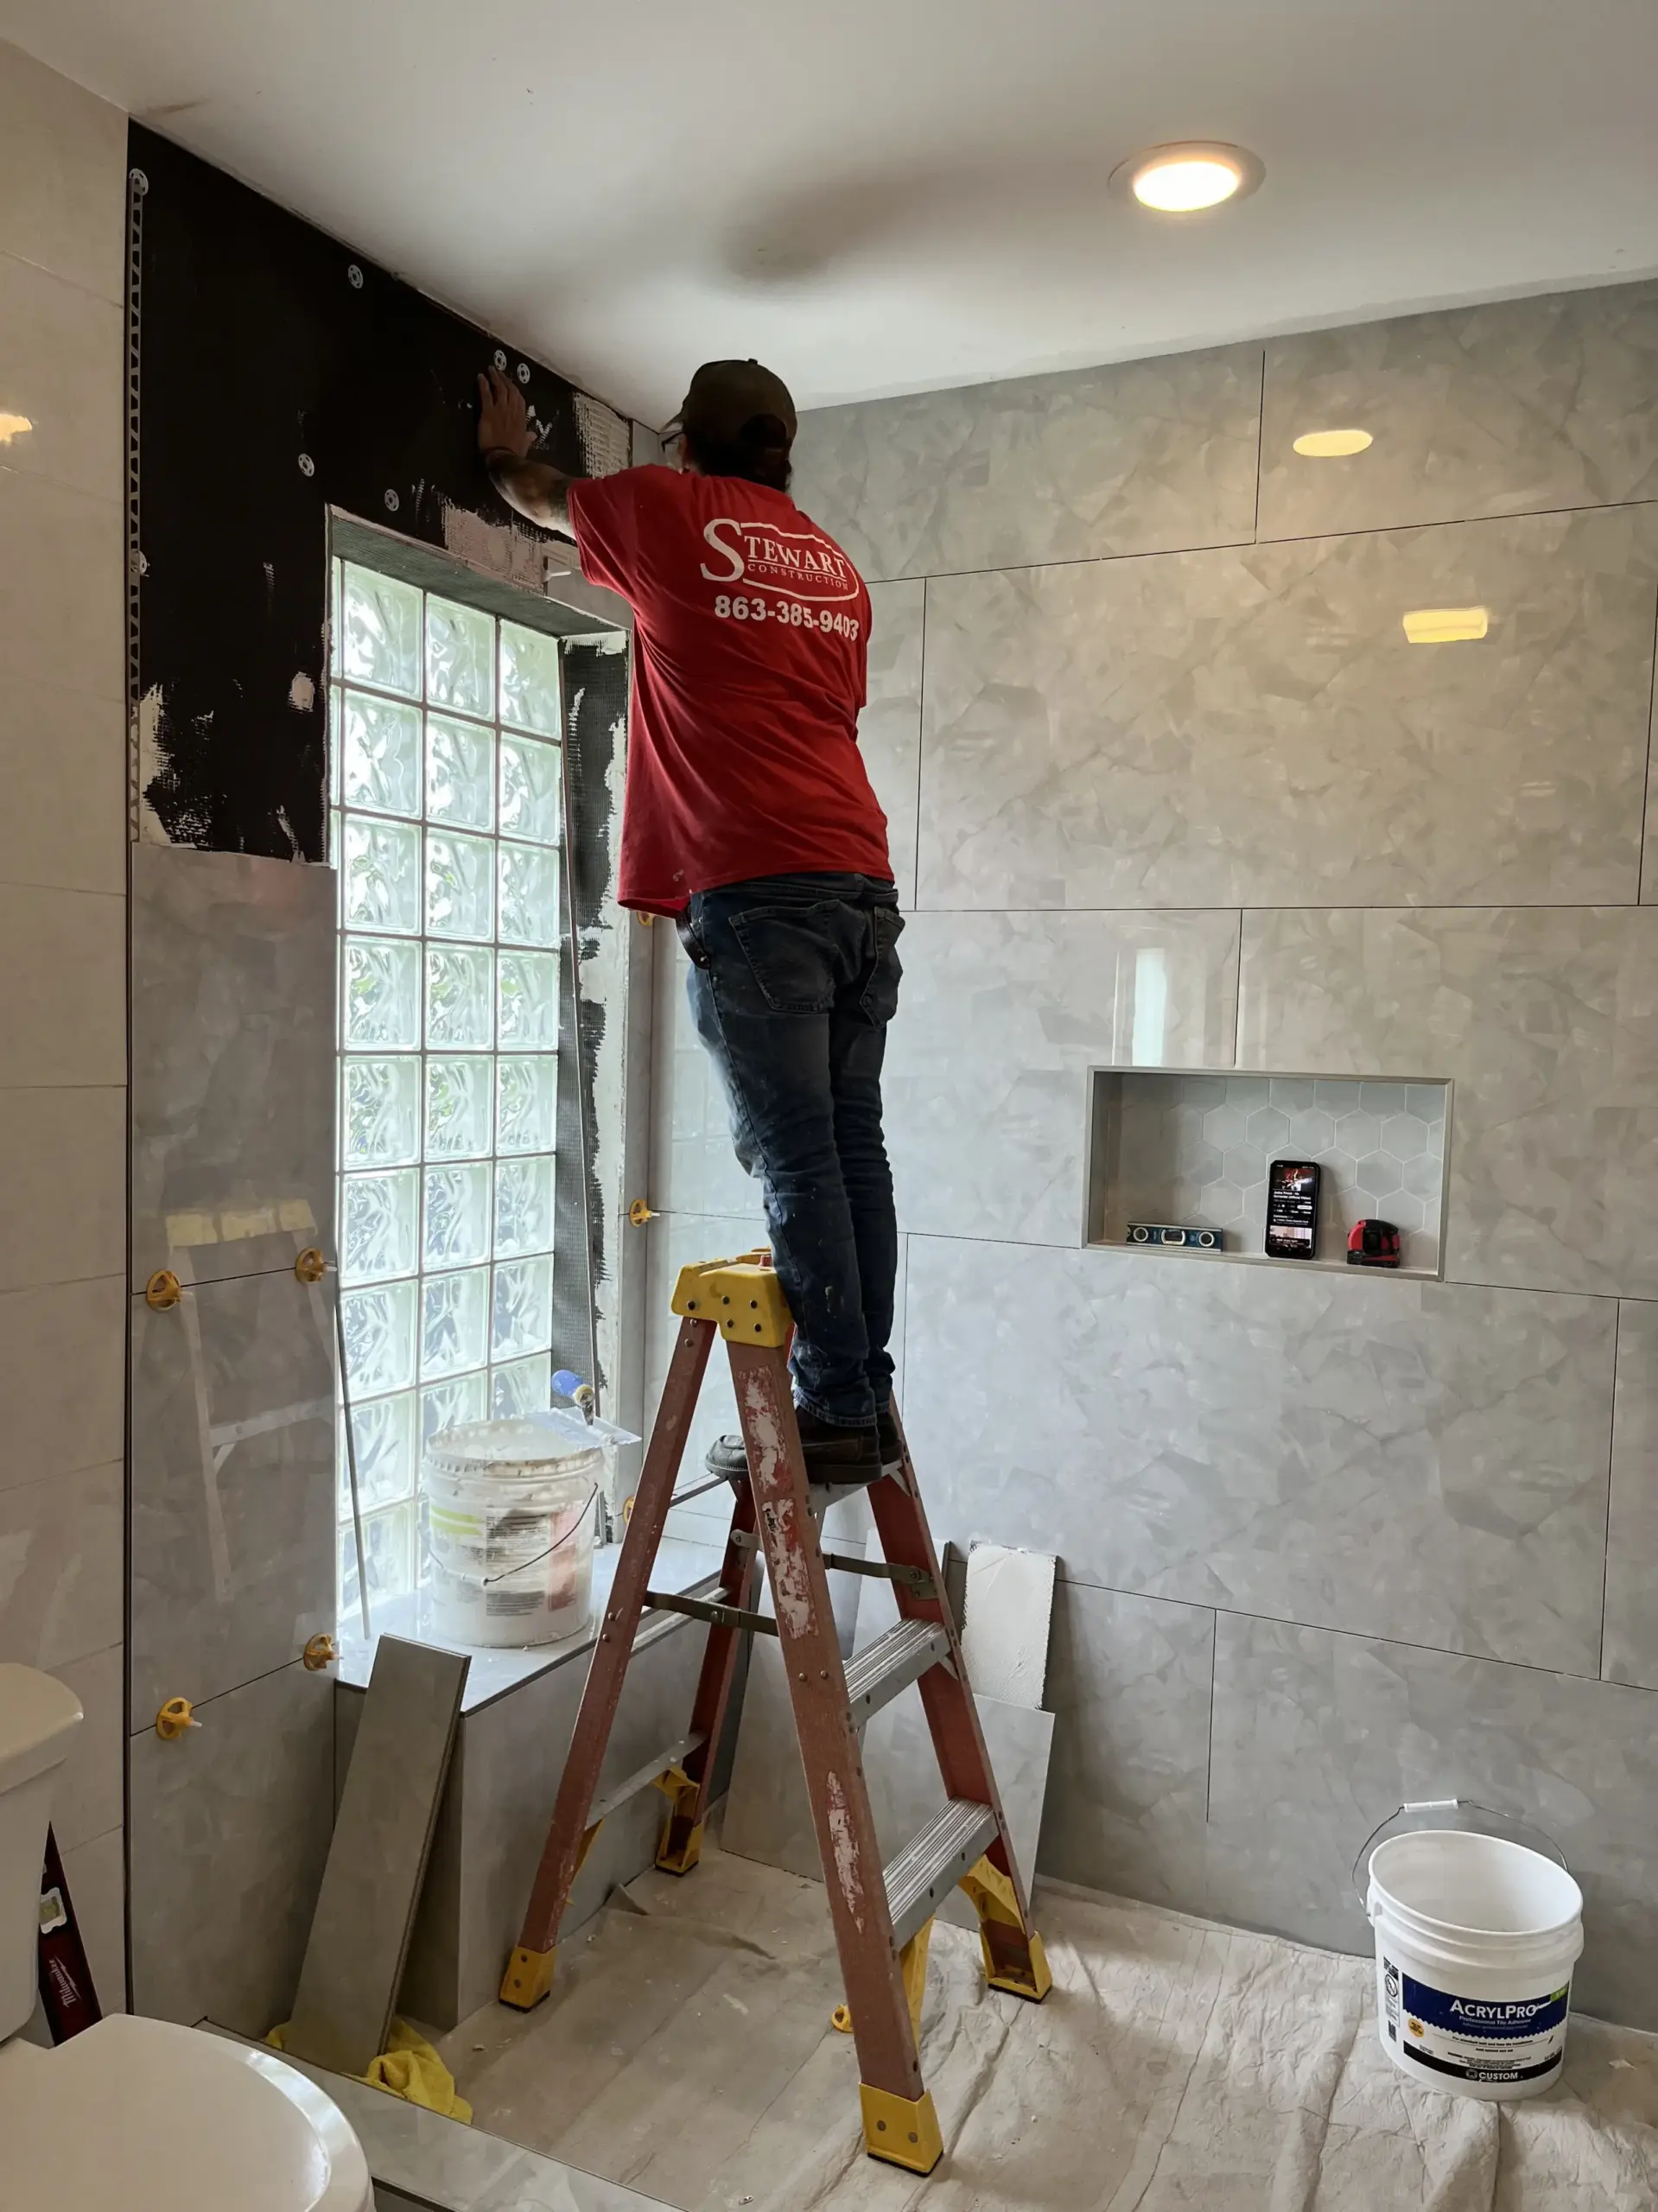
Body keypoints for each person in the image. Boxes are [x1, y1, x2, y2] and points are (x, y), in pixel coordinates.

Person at [478, 358, 903, 1484]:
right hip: (860, 879)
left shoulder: (668, 512)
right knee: (851, 1143)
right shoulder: (834, 568)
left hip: (758, 882)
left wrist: (498, 448)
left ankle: (838, 1413)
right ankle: (868, 1392)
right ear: (784, 445)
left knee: (798, 1156)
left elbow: (534, 496)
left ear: (684, 446)